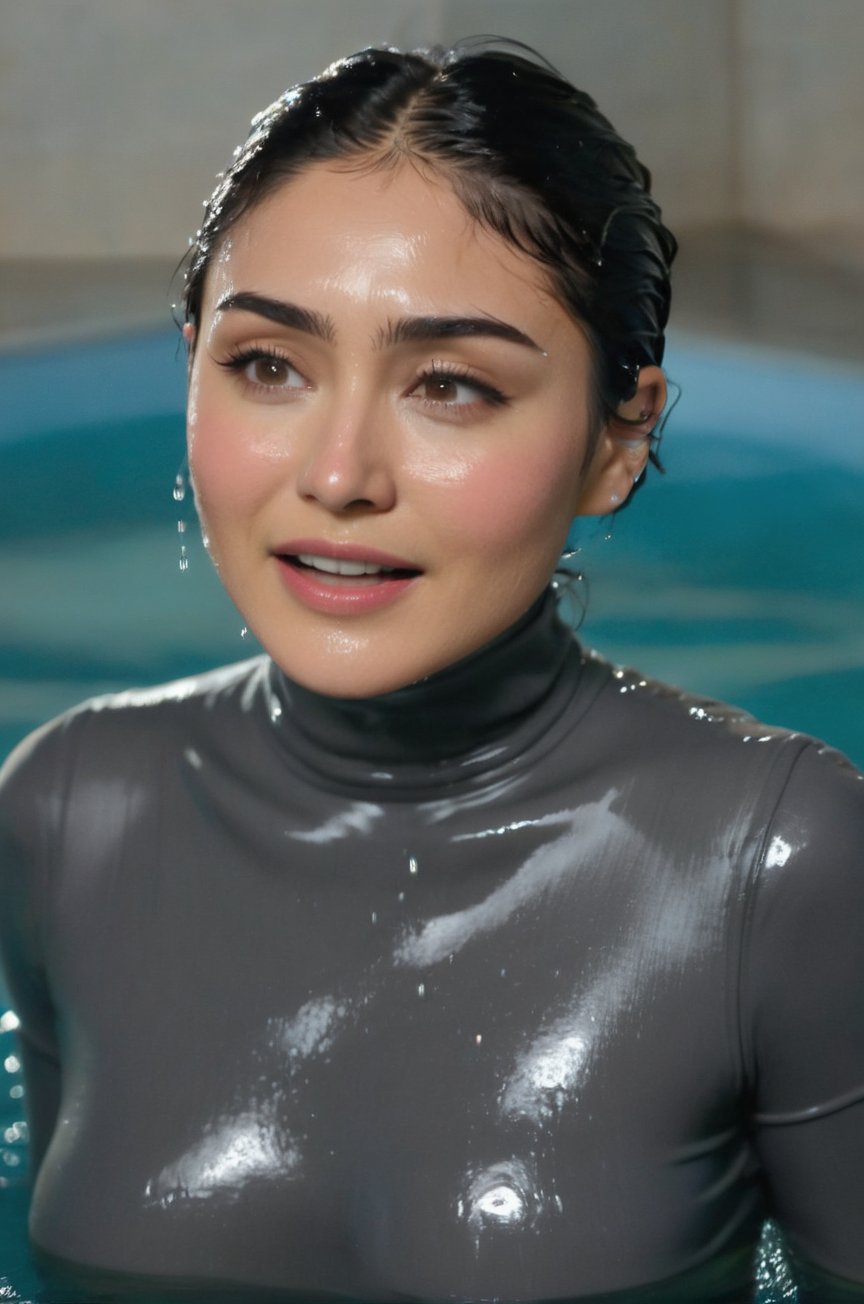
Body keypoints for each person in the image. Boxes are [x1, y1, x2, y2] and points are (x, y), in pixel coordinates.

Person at [1, 40, 863, 1304]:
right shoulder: (71, 811)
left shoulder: (771, 864)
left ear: (622, 437)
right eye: (268, 365)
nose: (340, 472)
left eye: (452, 384)